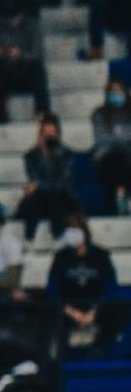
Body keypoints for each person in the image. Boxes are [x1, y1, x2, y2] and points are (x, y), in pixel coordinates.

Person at [47, 216, 121, 355]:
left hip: (96, 307)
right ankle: (62, 357)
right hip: (69, 308)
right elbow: (53, 289)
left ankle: (99, 350)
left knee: (118, 311)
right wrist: (71, 312)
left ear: (84, 232)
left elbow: (110, 287)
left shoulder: (101, 255)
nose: (70, 234)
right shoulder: (60, 257)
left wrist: (93, 312)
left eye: (74, 229)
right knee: (47, 311)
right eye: (68, 230)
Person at [17, 114, 81, 244]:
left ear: (58, 133)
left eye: (52, 132)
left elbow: (63, 182)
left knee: (55, 198)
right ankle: (29, 239)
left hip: (62, 197)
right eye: (46, 133)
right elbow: (33, 178)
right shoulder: (31, 155)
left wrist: (40, 185)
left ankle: (57, 237)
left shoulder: (67, 154)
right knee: (33, 201)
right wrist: (43, 155)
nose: (49, 136)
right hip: (41, 198)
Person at [91, 83, 131, 213]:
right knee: (117, 159)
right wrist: (123, 140)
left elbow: (115, 138)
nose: (116, 94)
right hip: (106, 158)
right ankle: (120, 197)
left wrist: (118, 138)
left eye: (118, 91)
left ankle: (122, 195)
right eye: (113, 91)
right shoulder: (100, 114)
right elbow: (102, 140)